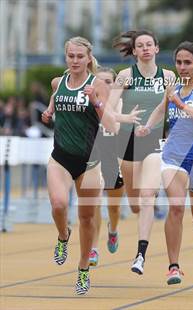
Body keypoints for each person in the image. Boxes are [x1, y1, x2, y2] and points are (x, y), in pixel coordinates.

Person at [41, 36, 139, 295]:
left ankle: (83, 269)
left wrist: (95, 101)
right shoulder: (57, 81)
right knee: (59, 204)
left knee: (87, 218)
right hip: (60, 157)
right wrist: (50, 111)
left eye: (79, 56)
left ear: (88, 59)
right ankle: (63, 236)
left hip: (90, 161)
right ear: (66, 57)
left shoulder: (97, 85)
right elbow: (56, 96)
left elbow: (111, 125)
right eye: (70, 56)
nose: (75, 60)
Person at [137, 41, 193, 284]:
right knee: (176, 207)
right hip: (174, 157)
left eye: (187, 62)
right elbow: (160, 109)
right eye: (179, 62)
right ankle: (174, 266)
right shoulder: (173, 88)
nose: (182, 67)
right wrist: (147, 126)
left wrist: (182, 106)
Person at [110, 30, 176, 275]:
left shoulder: (168, 76)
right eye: (141, 45)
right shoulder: (126, 76)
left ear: (157, 49)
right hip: (127, 141)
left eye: (150, 44)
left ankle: (140, 255)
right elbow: (107, 109)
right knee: (136, 204)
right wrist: (124, 117)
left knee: (148, 197)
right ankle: (114, 228)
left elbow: (176, 106)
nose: (146, 48)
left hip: (154, 141)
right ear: (135, 51)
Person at [89, 67, 125, 266]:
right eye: (100, 81)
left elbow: (116, 127)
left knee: (114, 207)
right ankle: (93, 248)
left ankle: (113, 230)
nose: (104, 85)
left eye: (108, 82)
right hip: (94, 158)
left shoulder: (120, 103)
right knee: (94, 204)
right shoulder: (88, 102)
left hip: (115, 159)